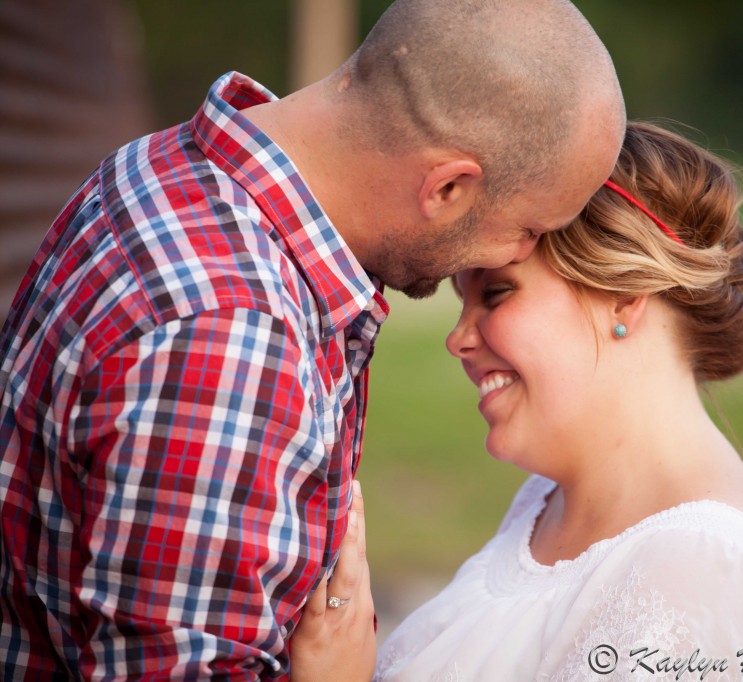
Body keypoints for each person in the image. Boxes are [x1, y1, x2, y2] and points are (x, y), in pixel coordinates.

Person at [0, 0, 625, 677]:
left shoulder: (164, 169)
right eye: (528, 229)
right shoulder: (232, 335)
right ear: (446, 186)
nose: (512, 257)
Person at [372, 122, 743, 681]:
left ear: (623, 297)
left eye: (496, 292)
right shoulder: (545, 503)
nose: (458, 338)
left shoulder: (705, 576)